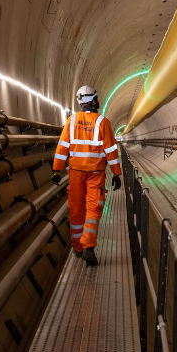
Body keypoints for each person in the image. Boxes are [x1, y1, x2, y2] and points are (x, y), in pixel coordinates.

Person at [51, 86, 122, 266]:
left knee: (76, 209)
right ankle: (88, 246)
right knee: (93, 209)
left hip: (75, 174)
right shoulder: (102, 122)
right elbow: (111, 150)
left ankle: (78, 248)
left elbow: (62, 147)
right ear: (93, 100)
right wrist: (116, 173)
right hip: (95, 174)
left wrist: (56, 170)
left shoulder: (71, 121)